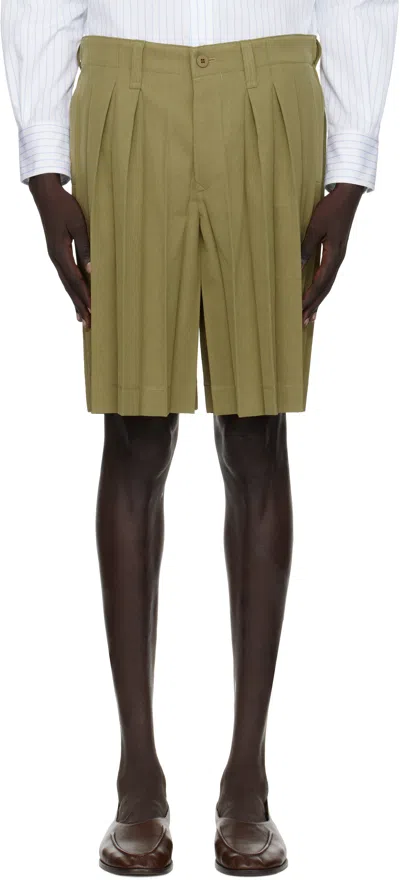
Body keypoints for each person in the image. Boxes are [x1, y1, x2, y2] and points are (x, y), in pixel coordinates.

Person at [1, 1, 398, 876]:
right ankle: (137, 778)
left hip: (273, 94)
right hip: (125, 93)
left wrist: (350, 165)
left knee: (256, 433)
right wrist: (43, 163)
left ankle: (248, 776)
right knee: (135, 433)